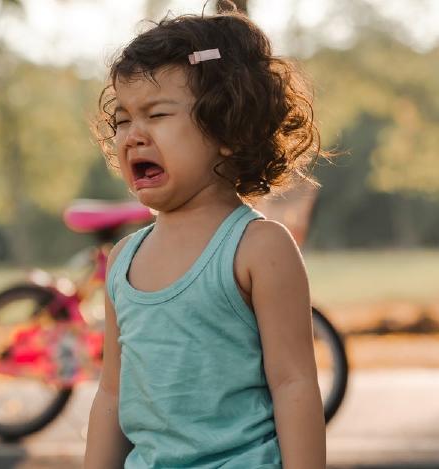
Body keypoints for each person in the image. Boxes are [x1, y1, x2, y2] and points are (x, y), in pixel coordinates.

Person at [84, 4, 327, 469]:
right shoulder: (123, 260)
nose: (132, 136)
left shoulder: (258, 248)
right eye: (122, 120)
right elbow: (112, 394)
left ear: (226, 129)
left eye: (156, 114)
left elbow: (294, 384)